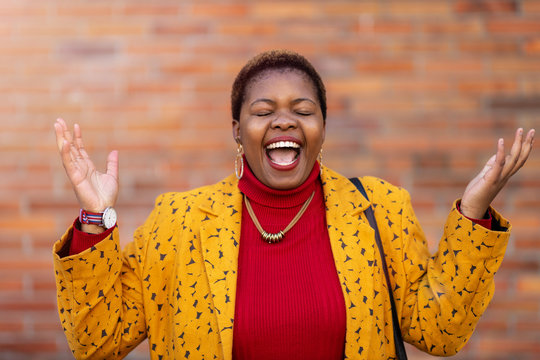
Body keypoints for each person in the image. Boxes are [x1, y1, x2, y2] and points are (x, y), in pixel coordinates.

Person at [53, 50, 535, 360]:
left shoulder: (378, 209)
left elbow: (441, 330)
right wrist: (95, 220)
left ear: (322, 128)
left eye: (303, 111)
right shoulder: (180, 221)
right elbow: (98, 339)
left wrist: (472, 214)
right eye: (263, 112)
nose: (284, 121)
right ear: (239, 131)